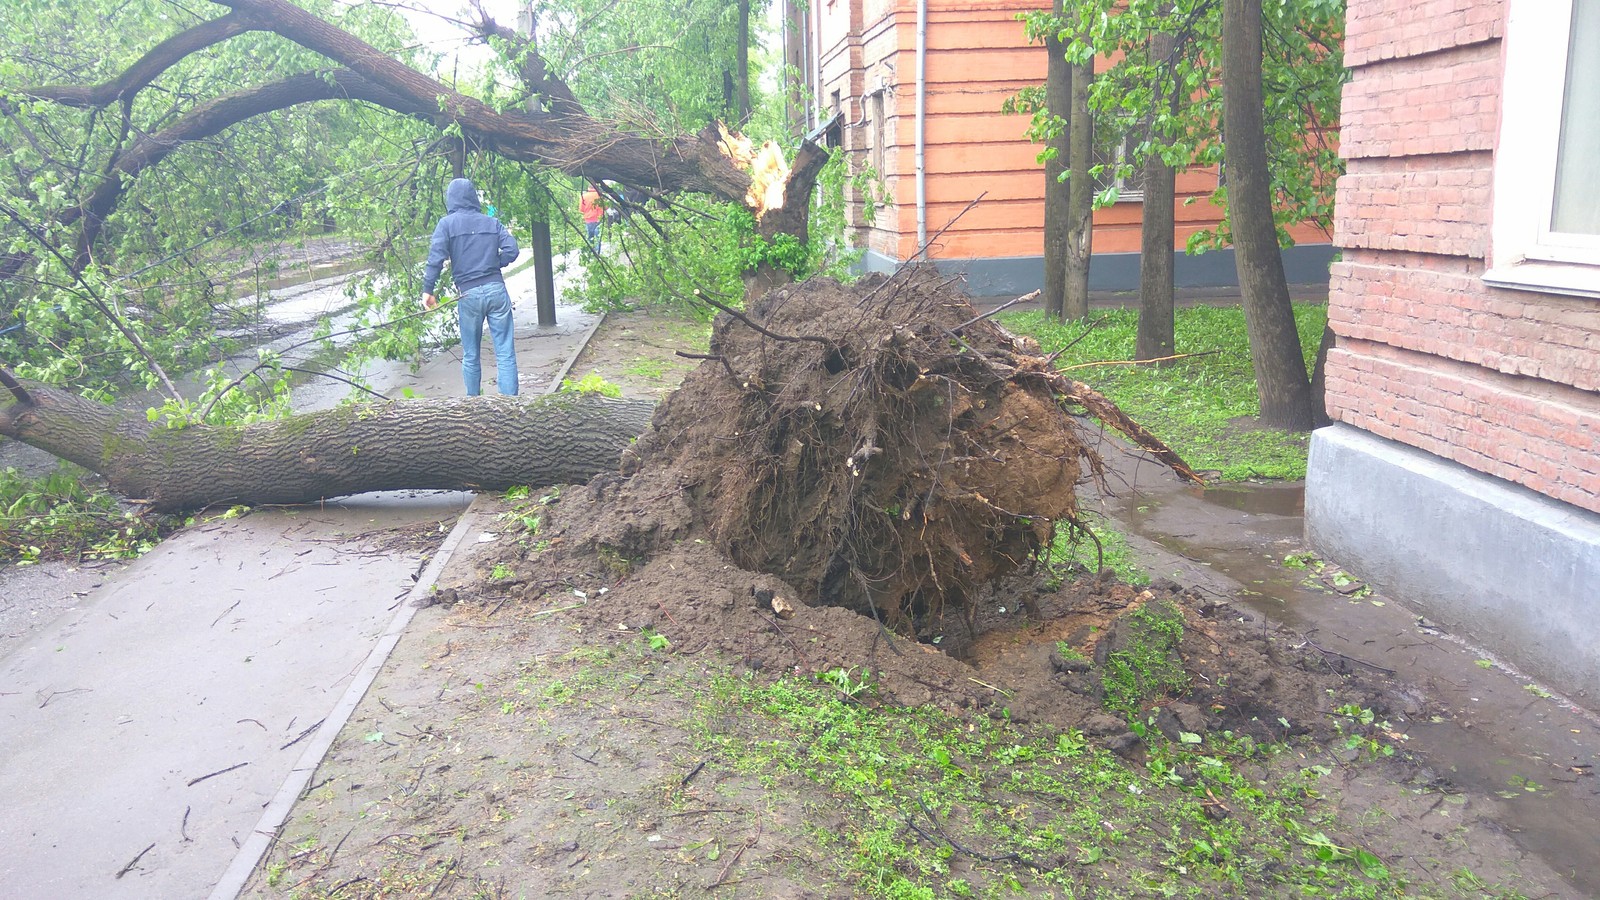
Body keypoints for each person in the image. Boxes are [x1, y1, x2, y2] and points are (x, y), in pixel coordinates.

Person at [423, 177, 521, 396]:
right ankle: (511, 408)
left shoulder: (446, 224)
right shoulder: (491, 222)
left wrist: (428, 290)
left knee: (470, 354)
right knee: (505, 352)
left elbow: (435, 258)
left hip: (468, 294)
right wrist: (496, 262)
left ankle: (473, 405)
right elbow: (512, 250)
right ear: (474, 198)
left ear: (451, 199)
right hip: (496, 289)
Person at [580, 183, 604, 253]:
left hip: (588, 219)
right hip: (598, 219)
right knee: (597, 237)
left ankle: (591, 252)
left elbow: (581, 209)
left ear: (588, 188)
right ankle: (598, 254)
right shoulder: (600, 195)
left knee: (590, 237)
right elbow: (605, 207)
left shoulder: (584, 196)